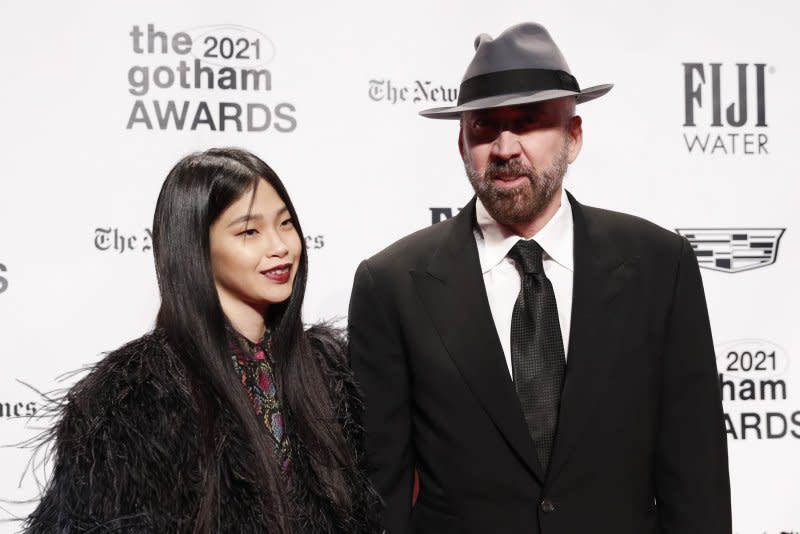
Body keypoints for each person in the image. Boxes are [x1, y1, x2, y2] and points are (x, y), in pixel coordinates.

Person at [348, 22, 731, 533]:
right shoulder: (391, 284)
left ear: (573, 137)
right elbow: (380, 494)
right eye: (483, 127)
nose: (505, 148)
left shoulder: (661, 265)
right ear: (461, 143)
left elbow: (696, 476)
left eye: (527, 123)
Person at [25, 148, 381, 533]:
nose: (280, 246)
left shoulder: (329, 375)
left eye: (286, 224)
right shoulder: (136, 398)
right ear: (195, 246)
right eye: (250, 231)